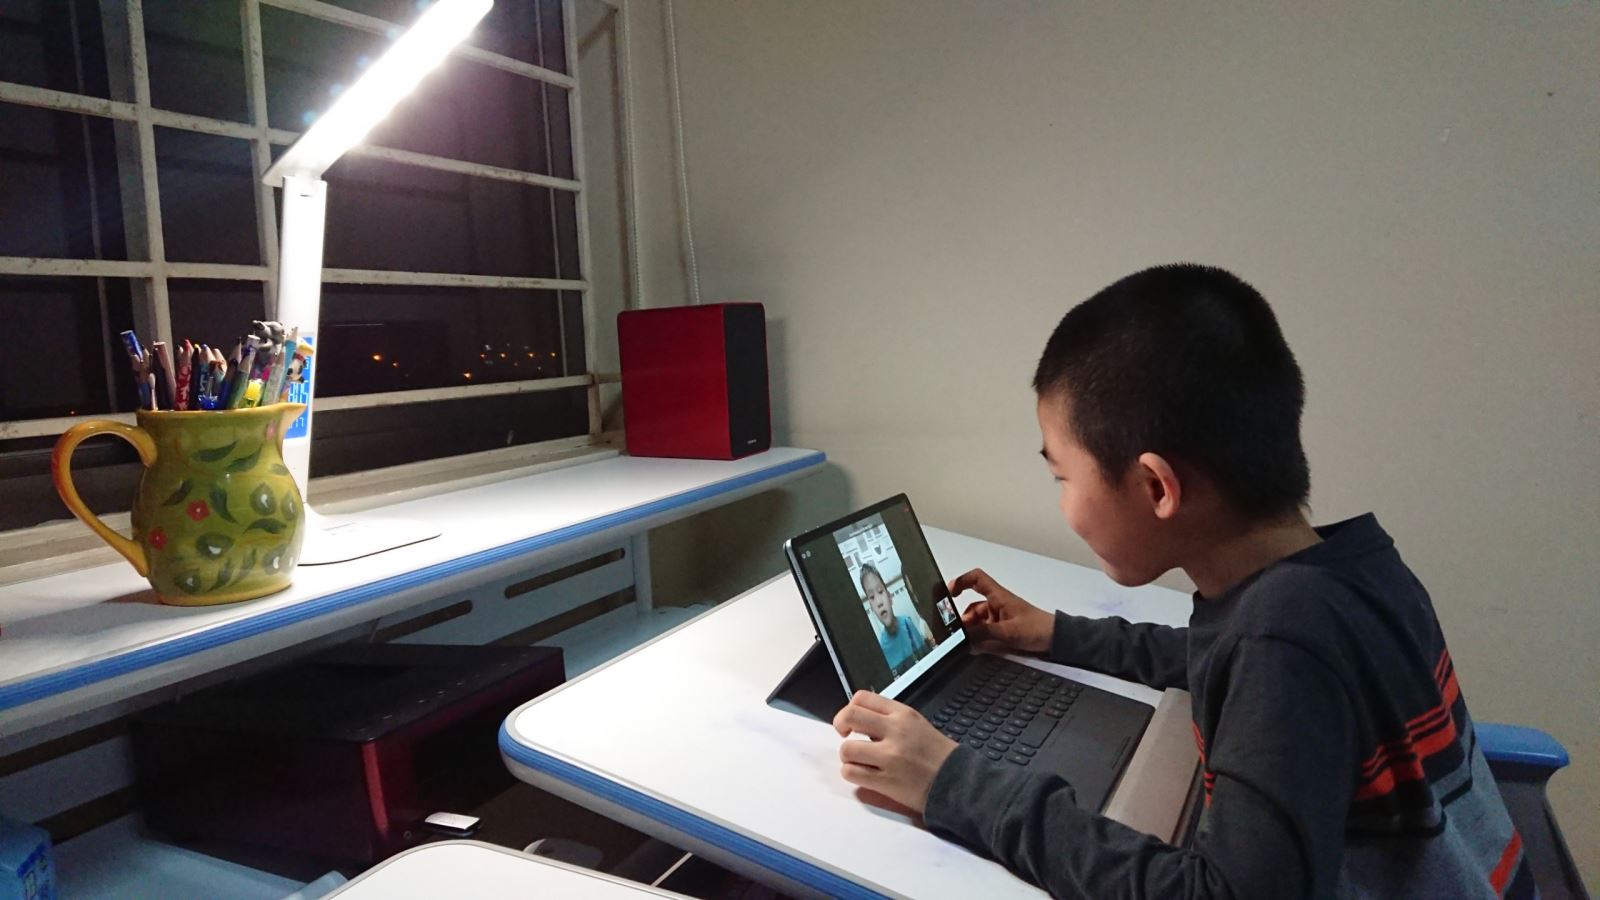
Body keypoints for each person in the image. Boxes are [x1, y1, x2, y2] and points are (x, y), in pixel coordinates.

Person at [831, 265, 1533, 898]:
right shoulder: (1347, 573)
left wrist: (956, 784)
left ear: (1156, 487)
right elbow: (1220, 655)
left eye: (1062, 477)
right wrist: (1055, 633)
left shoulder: (1280, 642)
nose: (1062, 501)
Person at [860, 563, 931, 674]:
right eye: (872, 597)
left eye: (880, 592)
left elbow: (927, 659)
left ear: (889, 597)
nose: (879, 602)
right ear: (872, 608)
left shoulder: (907, 624)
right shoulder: (882, 648)